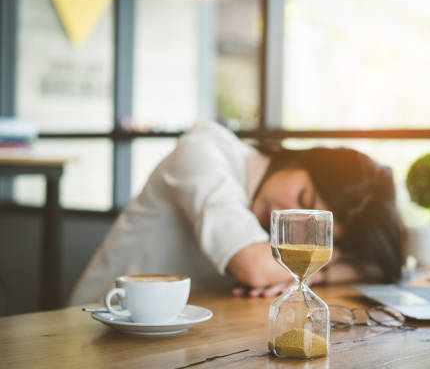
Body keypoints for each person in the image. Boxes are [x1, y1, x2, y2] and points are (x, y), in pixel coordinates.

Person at [68, 121, 406, 305]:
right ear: (299, 160)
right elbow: (255, 269)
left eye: (312, 230)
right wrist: (313, 271)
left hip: (176, 335)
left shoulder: (278, 227)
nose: (293, 220)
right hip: (97, 325)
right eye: (304, 197)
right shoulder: (204, 152)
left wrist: (309, 272)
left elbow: (379, 265)